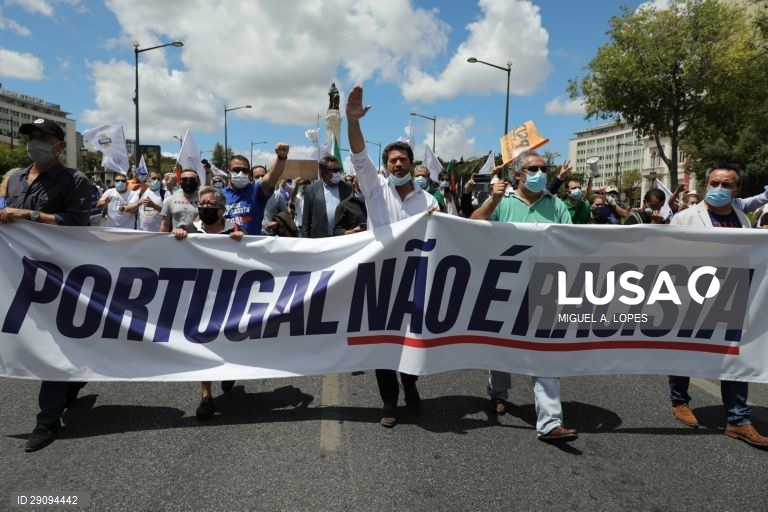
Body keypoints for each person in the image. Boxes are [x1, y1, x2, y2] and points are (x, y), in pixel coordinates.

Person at [470, 149, 578, 443]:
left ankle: (550, 422)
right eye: (533, 169)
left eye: (543, 168)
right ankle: (498, 393)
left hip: (545, 287)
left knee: (545, 354)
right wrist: (492, 199)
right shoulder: (502, 202)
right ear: (517, 175)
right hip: (504, 286)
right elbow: (472, 226)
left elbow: (573, 239)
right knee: (502, 346)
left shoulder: (555, 204)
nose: (540, 174)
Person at [347, 85, 438, 428]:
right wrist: (352, 121)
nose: (398, 164)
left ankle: (410, 384)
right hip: (380, 277)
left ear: (413, 166)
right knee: (383, 342)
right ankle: (389, 400)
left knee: (413, 339)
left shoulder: (428, 202)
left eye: (403, 160)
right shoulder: (373, 187)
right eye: (392, 160)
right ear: (385, 166)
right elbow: (358, 153)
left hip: (416, 279)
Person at [0, 118, 91, 452]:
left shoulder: (74, 180)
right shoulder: (14, 179)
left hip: (57, 276)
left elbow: (78, 224)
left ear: (59, 146)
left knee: (52, 343)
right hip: (18, 275)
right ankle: (73, 377)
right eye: (31, 137)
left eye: (43, 137)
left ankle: (48, 419)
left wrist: (30, 217)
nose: (35, 142)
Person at [667, 163, 768, 448]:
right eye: (714, 183)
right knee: (683, 349)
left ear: (737, 190)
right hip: (691, 295)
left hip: (733, 294)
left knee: (736, 356)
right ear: (707, 185)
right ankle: (680, 401)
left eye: (726, 185)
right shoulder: (685, 218)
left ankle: (738, 419)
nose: (719, 189)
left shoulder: (743, 220)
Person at [173, 186, 245, 420]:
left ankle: (229, 369)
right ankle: (206, 396)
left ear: (222, 209)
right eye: (201, 204)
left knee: (227, 340)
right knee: (202, 345)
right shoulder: (189, 230)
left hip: (227, 297)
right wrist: (177, 237)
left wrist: (240, 241)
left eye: (210, 204)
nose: (205, 208)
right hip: (199, 298)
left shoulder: (234, 231)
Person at [301, 155, 353, 238]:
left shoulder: (347, 188)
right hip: (320, 242)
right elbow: (306, 222)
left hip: (343, 240)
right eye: (333, 170)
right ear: (323, 172)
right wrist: (305, 243)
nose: (337, 173)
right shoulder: (311, 190)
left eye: (338, 170)